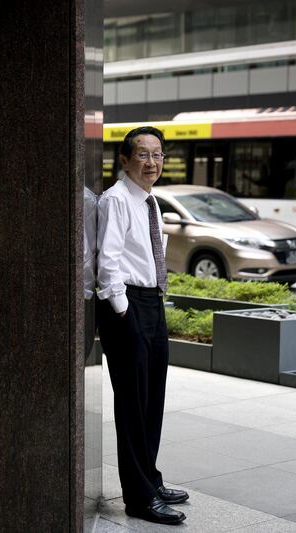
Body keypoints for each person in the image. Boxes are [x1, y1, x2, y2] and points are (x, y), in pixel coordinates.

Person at [96, 126, 188, 525]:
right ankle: (138, 498)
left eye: (158, 155)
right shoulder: (116, 200)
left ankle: (150, 479)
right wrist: (122, 312)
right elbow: (108, 263)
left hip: (151, 301)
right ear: (124, 160)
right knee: (132, 405)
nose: (152, 162)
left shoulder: (148, 200)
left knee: (152, 399)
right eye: (143, 154)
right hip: (126, 305)